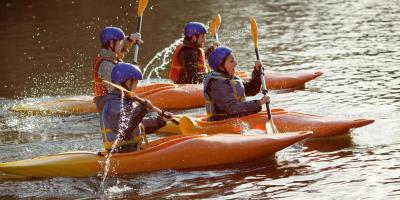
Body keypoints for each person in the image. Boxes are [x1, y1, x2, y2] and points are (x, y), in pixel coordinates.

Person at [96, 63, 173, 153]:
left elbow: (138, 125)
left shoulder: (124, 101)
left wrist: (160, 120)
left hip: (130, 150)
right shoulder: (114, 104)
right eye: (136, 83)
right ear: (128, 82)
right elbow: (125, 128)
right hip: (121, 153)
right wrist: (142, 108)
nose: (136, 87)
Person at [204, 46, 270, 121]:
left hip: (235, 118)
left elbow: (251, 89)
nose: (235, 63)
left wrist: (257, 72)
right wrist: (259, 103)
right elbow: (232, 108)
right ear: (221, 66)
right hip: (221, 123)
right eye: (231, 61)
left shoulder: (230, 79)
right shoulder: (217, 85)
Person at [92, 27, 143, 101]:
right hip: (107, 102)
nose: (122, 45)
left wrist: (130, 39)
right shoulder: (107, 66)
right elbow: (118, 94)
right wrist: (132, 77)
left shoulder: (109, 54)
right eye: (120, 42)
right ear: (111, 43)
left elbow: (121, 45)